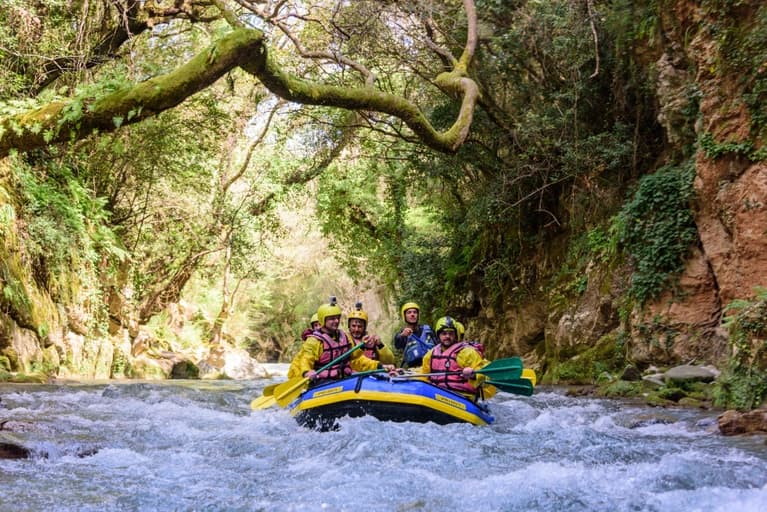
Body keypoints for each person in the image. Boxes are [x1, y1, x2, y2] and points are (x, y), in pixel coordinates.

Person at [288, 297, 396, 384]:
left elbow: (356, 360)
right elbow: (305, 359)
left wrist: (380, 366)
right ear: (322, 320)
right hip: (322, 382)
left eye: (337, 318)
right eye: (331, 319)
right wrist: (307, 372)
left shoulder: (344, 336)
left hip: (343, 380)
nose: (336, 321)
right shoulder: (314, 341)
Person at [420, 316, 495, 400]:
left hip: (463, 398)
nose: (447, 336)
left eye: (451, 333)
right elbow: (424, 375)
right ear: (438, 335)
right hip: (437, 395)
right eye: (444, 333)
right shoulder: (430, 355)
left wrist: (473, 375)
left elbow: (486, 375)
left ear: (455, 335)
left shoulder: (466, 353)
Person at [393, 301, 436, 368]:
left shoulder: (428, 329)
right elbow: (397, 345)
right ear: (405, 316)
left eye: (415, 312)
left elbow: (439, 344)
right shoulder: (402, 334)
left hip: (432, 365)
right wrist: (402, 335)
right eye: (409, 312)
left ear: (418, 315)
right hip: (414, 368)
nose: (412, 314)